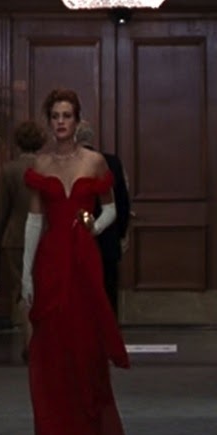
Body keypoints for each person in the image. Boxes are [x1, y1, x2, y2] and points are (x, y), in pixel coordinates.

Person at [21, 88, 129, 435]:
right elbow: (34, 221)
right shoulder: (40, 163)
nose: (61, 122)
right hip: (51, 261)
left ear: (78, 120)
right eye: (55, 116)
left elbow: (112, 209)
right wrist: (26, 276)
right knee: (53, 350)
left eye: (67, 115)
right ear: (49, 122)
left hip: (84, 261)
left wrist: (92, 227)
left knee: (85, 348)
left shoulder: (95, 162)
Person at [0, 120, 47, 362]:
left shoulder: (9, 170)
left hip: (15, 237)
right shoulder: (47, 167)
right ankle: (40, 342)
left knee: (22, 289)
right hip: (44, 235)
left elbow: (2, 208)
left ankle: (29, 342)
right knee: (42, 288)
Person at [76, 120, 131, 317]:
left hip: (77, 236)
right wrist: (121, 232)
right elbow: (122, 200)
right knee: (108, 291)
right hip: (108, 237)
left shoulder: (70, 163)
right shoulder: (112, 162)